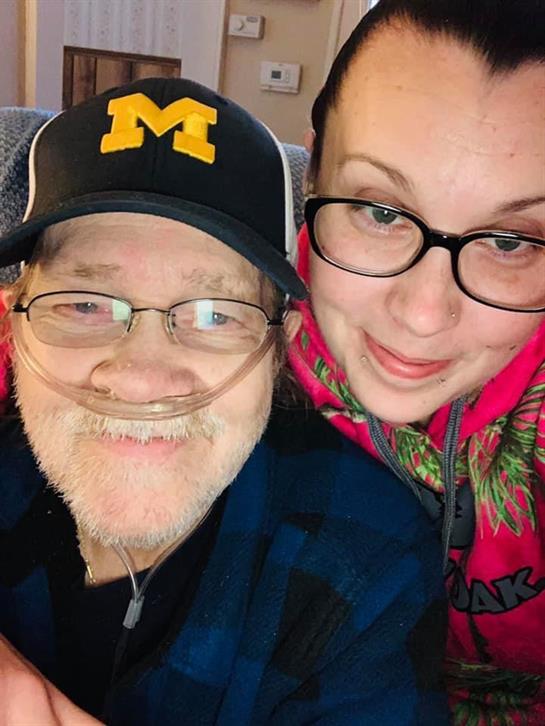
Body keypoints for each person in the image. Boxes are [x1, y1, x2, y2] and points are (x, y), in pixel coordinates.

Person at [0, 78, 448, 724]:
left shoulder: (366, 563)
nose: (142, 379)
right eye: (86, 305)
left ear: (278, 348)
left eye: (215, 314)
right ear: (14, 322)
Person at [287, 1, 545, 723]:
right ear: (313, 174)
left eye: (508, 242)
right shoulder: (217, 315)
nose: (424, 315)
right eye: (381, 212)